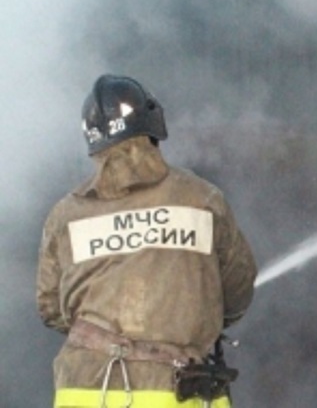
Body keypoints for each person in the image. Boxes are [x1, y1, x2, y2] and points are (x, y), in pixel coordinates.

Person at [36, 74, 257, 408]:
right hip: (176, 392)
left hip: (83, 391)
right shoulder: (202, 200)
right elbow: (237, 290)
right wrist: (190, 316)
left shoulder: (65, 215)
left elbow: (50, 308)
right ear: (152, 123)